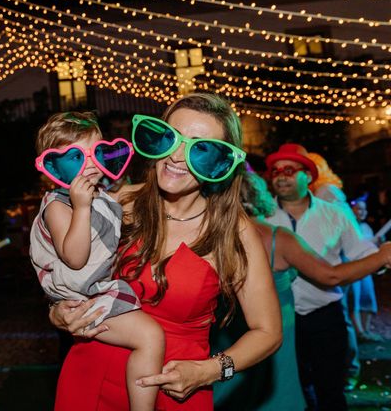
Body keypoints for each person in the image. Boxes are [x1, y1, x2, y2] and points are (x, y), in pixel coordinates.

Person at [50, 93, 283, 410]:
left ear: (219, 162)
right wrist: (57, 311)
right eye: (170, 138)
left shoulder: (232, 231)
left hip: (176, 388)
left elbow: (268, 331)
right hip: (91, 373)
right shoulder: (118, 203)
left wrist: (209, 370)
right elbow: (67, 270)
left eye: (200, 149)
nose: (176, 157)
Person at [212, 171, 391, 410]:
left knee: (231, 391)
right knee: (277, 395)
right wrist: (382, 257)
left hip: (226, 336)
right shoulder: (276, 237)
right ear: (259, 194)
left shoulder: (210, 236)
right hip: (274, 338)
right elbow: (331, 275)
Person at [30, 111, 164, 410]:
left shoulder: (102, 195)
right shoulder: (57, 206)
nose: (91, 163)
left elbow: (130, 195)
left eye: (97, 152)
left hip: (96, 289)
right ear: (54, 165)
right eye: (77, 156)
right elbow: (75, 258)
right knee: (150, 336)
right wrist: (81, 208)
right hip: (82, 297)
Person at [264, 143, 379, 410]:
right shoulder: (262, 216)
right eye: (276, 171)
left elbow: (361, 250)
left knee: (330, 390)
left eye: (290, 170)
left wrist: (380, 259)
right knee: (292, 390)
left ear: (308, 176)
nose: (281, 176)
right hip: (278, 317)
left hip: (325, 315)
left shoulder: (335, 214)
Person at [307, 151, 361, 391]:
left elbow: (332, 229)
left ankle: (348, 370)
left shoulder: (325, 193)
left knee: (341, 315)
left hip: (340, 262)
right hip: (339, 260)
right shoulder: (327, 191)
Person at [349, 196, 383, 342]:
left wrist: (378, 244)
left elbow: (372, 247)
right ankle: (359, 332)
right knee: (354, 300)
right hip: (353, 269)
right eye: (359, 209)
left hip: (367, 270)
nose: (362, 212)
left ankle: (366, 330)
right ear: (352, 210)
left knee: (367, 298)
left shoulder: (366, 227)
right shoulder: (348, 226)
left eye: (364, 209)